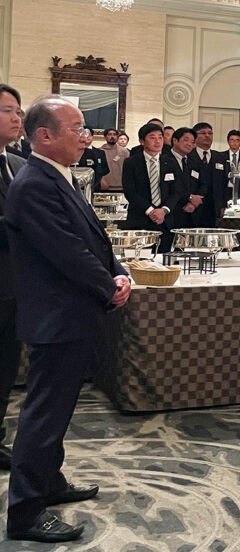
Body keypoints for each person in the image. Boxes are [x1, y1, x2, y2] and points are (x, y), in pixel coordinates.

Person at [4, 95, 130, 543]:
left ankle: (50, 483)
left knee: (56, 412)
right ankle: (26, 511)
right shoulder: (34, 184)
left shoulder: (56, 175)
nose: (86, 137)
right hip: (57, 317)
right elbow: (67, 252)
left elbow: (93, 239)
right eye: (77, 128)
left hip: (71, 314)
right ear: (44, 135)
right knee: (43, 415)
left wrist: (119, 271)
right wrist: (107, 286)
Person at [0, 84, 26, 471]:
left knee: (6, 365)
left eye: (19, 111)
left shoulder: (20, 165)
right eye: (8, 110)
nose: (17, 117)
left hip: (17, 286)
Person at [122, 122, 180, 252]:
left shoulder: (170, 162)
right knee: (139, 258)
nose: (157, 141)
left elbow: (176, 191)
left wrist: (163, 210)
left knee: (164, 257)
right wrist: (151, 211)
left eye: (160, 137)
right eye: (152, 137)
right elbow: (130, 191)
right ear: (142, 141)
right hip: (140, 218)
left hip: (165, 220)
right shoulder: (131, 162)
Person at [166, 127, 207, 229]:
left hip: (192, 213)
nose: (189, 144)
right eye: (186, 140)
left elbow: (203, 184)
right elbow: (168, 187)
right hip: (171, 212)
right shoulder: (164, 161)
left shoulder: (194, 162)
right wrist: (189, 197)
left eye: (192, 142)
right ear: (175, 140)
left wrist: (193, 203)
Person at [191, 122, 227, 225]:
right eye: (203, 133)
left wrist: (223, 205)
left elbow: (224, 183)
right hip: (193, 206)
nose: (207, 136)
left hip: (214, 207)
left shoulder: (220, 157)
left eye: (210, 133)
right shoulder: (188, 156)